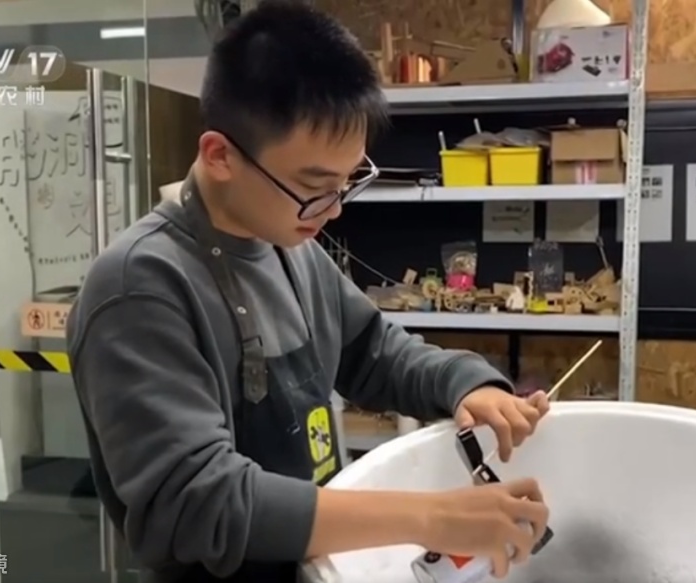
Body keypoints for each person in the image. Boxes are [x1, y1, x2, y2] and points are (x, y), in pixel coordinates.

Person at [66, 2, 551, 582]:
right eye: (313, 186)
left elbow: (373, 352)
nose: (334, 209)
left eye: (348, 182)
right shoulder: (139, 288)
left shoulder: (289, 245)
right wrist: (431, 517)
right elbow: (197, 501)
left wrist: (465, 382)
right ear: (220, 156)